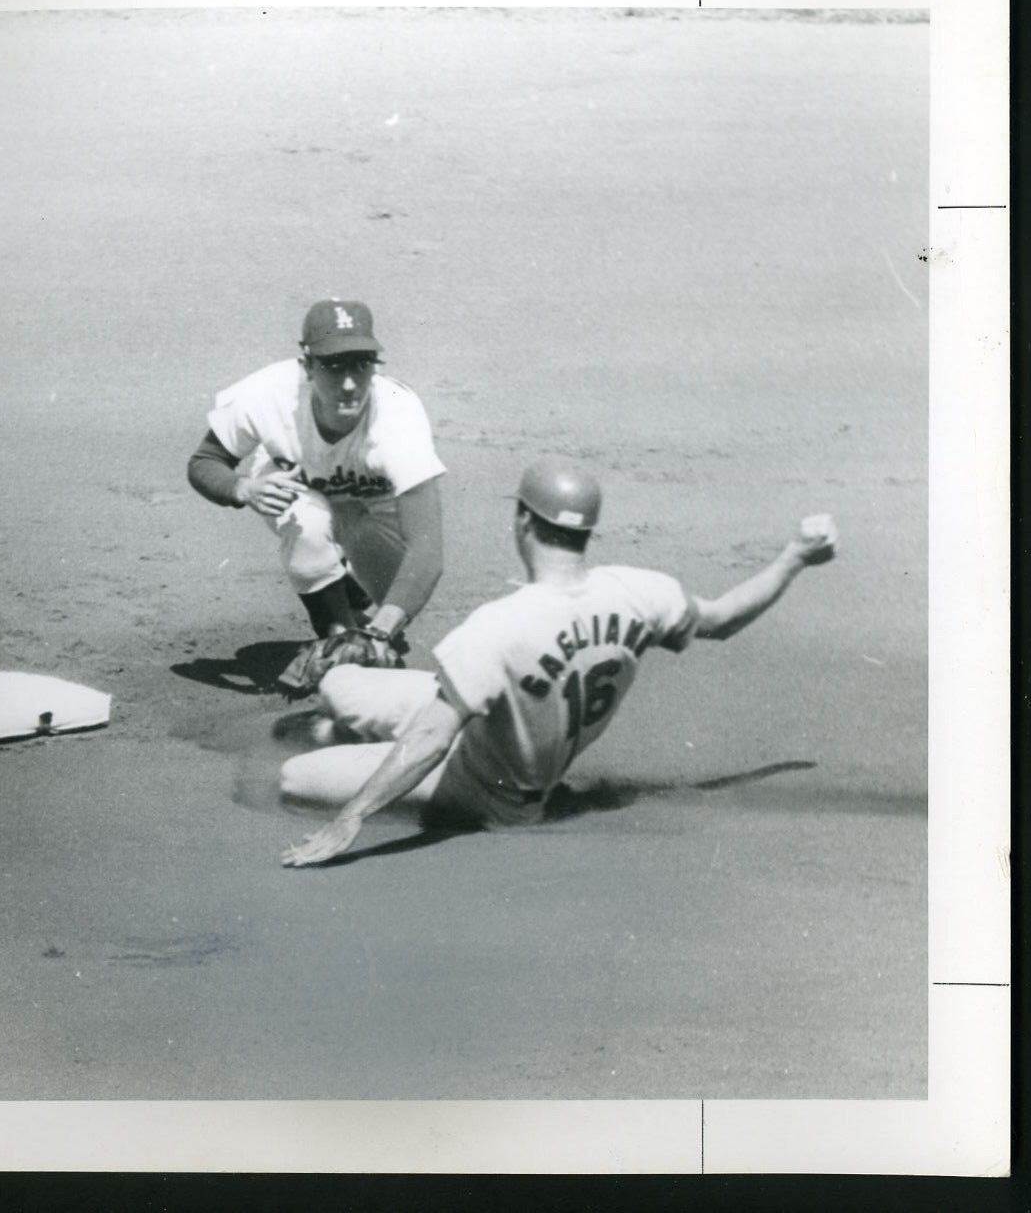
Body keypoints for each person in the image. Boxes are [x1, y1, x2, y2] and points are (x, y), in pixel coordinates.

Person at [279, 457, 838, 867]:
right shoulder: (641, 594)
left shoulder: (498, 628)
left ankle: (348, 745)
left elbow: (429, 742)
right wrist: (794, 558)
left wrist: (351, 816)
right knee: (341, 684)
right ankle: (344, 727)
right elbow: (724, 619)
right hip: (490, 724)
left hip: (485, 793)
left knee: (292, 777)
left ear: (523, 522)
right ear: (586, 532)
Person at [186, 298, 446, 651]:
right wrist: (242, 487)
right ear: (307, 366)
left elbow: (426, 550)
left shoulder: (397, 418)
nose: (351, 383)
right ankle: (334, 629)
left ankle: (347, 586)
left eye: (361, 364)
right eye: (335, 366)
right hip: (297, 491)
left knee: (390, 602)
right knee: (307, 526)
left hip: (374, 506)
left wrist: (381, 631)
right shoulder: (266, 395)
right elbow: (205, 460)